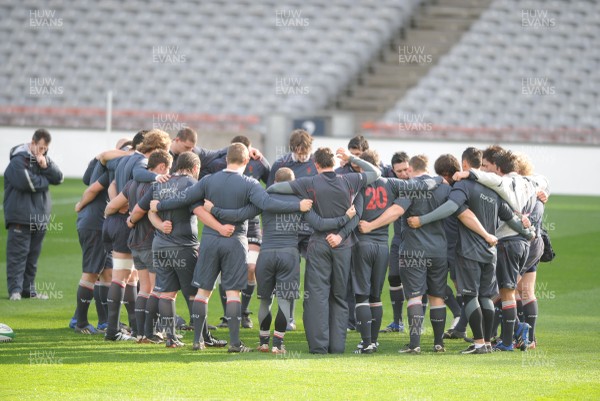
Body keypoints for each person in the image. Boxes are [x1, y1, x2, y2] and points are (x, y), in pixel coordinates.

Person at [150, 143, 312, 352]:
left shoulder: (209, 180)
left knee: (202, 291)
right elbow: (267, 204)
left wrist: (160, 206)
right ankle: (235, 343)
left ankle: (197, 341)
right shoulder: (251, 183)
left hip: (209, 240)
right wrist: (297, 206)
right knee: (233, 292)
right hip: (236, 241)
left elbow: (185, 198)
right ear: (246, 161)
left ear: (226, 159)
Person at [205, 167, 354, 353]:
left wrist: (214, 210)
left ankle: (263, 342)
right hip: (289, 256)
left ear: (274, 181)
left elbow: (239, 215)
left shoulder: (263, 199)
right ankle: (278, 344)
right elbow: (319, 224)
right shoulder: (301, 201)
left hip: (266, 255)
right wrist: (345, 218)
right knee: (284, 301)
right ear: (292, 182)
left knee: (265, 301)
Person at [407, 152, 534, 354]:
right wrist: (527, 232)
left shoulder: (463, 186)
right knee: (486, 297)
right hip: (490, 252)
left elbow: (453, 207)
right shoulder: (493, 191)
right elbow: (510, 218)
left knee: (470, 297)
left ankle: (478, 343)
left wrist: (422, 219)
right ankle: (487, 343)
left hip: (469, 251)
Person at [267, 147, 381, 354]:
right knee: (339, 296)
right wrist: (352, 158)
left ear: (315, 165)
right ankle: (337, 347)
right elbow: (376, 173)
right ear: (335, 164)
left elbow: (276, 189)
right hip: (343, 245)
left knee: (316, 296)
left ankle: (319, 346)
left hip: (318, 244)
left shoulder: (308, 183)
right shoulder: (350, 180)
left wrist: (298, 203)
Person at [351, 150, 442, 353]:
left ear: (361, 167)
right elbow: (422, 185)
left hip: (362, 243)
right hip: (383, 245)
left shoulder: (357, 184)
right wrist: (438, 178)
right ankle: (375, 341)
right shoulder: (392, 184)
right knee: (376, 295)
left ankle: (366, 343)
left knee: (362, 296)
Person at [453, 147, 540, 351]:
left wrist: (465, 173)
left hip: (506, 242)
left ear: (498, 168)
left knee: (503, 292)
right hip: (528, 243)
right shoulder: (532, 183)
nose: (485, 170)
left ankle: (507, 339)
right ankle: (516, 334)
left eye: (487, 166)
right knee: (521, 291)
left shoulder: (501, 182)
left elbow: (484, 180)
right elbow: (535, 200)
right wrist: (530, 230)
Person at [103, 129, 171, 341]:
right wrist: (157, 176)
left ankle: (130, 328)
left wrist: (114, 207)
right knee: (129, 279)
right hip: (133, 224)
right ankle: (123, 331)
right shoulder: (141, 164)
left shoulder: (125, 160)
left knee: (126, 277)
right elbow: (141, 175)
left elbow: (113, 184)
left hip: (117, 218)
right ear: (158, 148)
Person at [206, 135, 271, 330]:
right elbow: (202, 162)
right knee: (227, 270)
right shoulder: (219, 164)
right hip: (223, 221)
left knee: (251, 268)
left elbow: (272, 179)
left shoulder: (257, 164)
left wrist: (262, 158)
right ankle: (228, 315)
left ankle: (243, 312)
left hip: (250, 223)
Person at [267, 129, 318, 330]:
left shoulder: (316, 165)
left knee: (316, 273)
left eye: (305, 151)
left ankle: (314, 317)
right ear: (292, 149)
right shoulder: (280, 165)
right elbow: (269, 195)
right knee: (290, 273)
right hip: (289, 230)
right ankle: (288, 317)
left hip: (313, 227)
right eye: (299, 152)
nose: (302, 155)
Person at [4, 128, 63, 300]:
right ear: (32, 143)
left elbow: (59, 178)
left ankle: (28, 291)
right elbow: (27, 183)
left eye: (45, 149)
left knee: (32, 257)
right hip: (20, 217)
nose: (42, 152)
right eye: (40, 148)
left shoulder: (43, 159)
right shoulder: (18, 161)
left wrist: (46, 165)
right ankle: (15, 291)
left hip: (40, 217)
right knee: (18, 255)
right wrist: (46, 180)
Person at [380, 151, 410, 333]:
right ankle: (397, 322)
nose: (403, 174)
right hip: (398, 238)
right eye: (399, 171)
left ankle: (457, 315)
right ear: (393, 171)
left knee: (424, 284)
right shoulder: (392, 183)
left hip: (417, 241)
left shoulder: (419, 184)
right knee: (393, 277)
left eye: (406, 169)